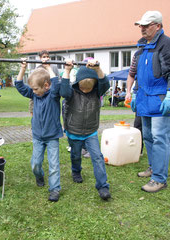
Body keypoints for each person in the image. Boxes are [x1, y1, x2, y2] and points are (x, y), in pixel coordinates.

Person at [125, 11, 170, 193]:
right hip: (143, 98)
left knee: (160, 138)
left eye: (146, 25)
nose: (142, 28)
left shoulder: (166, 44)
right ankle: (153, 167)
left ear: (157, 26)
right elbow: (134, 73)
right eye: (140, 25)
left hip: (160, 98)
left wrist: (169, 94)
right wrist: (133, 92)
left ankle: (159, 178)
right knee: (149, 137)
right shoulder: (141, 47)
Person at [60, 58, 111, 200]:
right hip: (74, 131)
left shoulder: (97, 91)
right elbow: (63, 90)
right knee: (75, 155)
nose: (86, 90)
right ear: (77, 84)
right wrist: (67, 70)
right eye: (83, 87)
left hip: (91, 132)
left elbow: (105, 83)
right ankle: (76, 171)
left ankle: (103, 186)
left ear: (94, 85)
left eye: (88, 88)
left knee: (98, 157)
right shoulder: (71, 92)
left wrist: (98, 69)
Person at [15, 58, 63, 202]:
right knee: (35, 163)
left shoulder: (54, 95)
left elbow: (57, 84)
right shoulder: (35, 95)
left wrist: (48, 67)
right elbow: (19, 86)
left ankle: (54, 189)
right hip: (37, 136)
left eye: (35, 89)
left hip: (52, 135)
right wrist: (23, 68)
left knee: (54, 165)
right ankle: (39, 175)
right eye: (32, 89)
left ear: (46, 86)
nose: (33, 91)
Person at [29, 50, 59, 116]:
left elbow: (57, 80)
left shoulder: (54, 67)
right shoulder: (38, 68)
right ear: (40, 58)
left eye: (47, 56)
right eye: (44, 57)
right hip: (39, 92)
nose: (46, 58)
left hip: (50, 93)